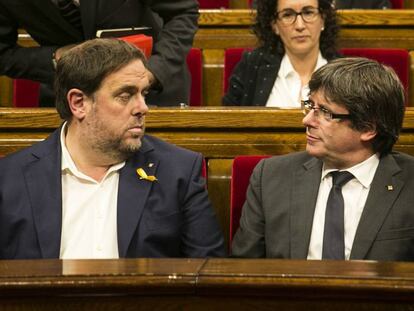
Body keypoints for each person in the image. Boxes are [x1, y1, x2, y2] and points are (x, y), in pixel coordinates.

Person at [0, 38, 226, 259]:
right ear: (79, 103)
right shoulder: (9, 179)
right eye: (125, 96)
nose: (143, 108)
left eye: (143, 93)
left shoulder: (178, 172)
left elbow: (210, 276)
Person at [231, 57, 414, 261]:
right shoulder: (271, 177)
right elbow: (243, 270)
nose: (307, 120)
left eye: (325, 113)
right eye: (310, 106)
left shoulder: (409, 184)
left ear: (368, 128)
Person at [0, 0, 198, 107]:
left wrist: (153, 71)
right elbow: (3, 54)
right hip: (71, 96)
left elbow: (182, 12)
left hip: (151, 90)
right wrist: (56, 57)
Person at [223, 0, 339, 107]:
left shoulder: (345, 72)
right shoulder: (252, 65)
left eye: (308, 13)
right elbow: (228, 123)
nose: (300, 26)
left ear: (323, 19)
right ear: (274, 25)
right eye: (287, 15)